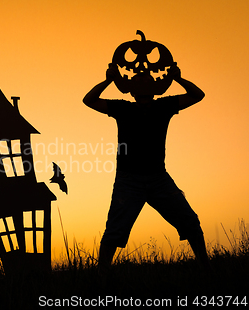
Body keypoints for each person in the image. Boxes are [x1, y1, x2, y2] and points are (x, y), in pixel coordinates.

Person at [83, 63, 210, 272]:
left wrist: (177, 78)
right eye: (137, 80)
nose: (142, 81)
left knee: (189, 222)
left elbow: (198, 95)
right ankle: (101, 279)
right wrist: (109, 80)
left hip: (158, 178)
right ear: (130, 90)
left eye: (147, 79)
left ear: (157, 88)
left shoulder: (165, 106)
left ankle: (207, 270)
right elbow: (88, 100)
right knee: (115, 230)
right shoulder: (123, 108)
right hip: (128, 180)